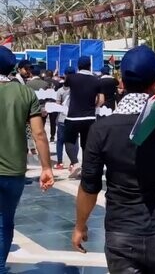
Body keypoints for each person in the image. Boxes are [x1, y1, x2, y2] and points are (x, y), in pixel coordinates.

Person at [72, 45, 155, 273]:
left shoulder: (101, 129)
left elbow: (89, 186)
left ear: (122, 82)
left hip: (121, 232)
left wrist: (80, 225)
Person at [0, 47, 54, 274]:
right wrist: (46, 167)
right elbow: (39, 134)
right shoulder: (25, 94)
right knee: (4, 221)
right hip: (13, 170)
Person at [64, 56, 104, 178]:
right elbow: (101, 99)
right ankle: (87, 167)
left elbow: (65, 86)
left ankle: (75, 163)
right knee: (86, 144)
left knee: (69, 140)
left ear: (78, 66)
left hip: (73, 117)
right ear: (89, 66)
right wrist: (93, 106)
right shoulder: (96, 80)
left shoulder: (72, 78)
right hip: (90, 118)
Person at [54, 71, 73, 170]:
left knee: (60, 141)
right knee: (73, 141)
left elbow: (57, 105)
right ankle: (73, 163)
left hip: (62, 118)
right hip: (73, 118)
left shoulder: (60, 91)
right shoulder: (76, 90)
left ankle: (60, 162)